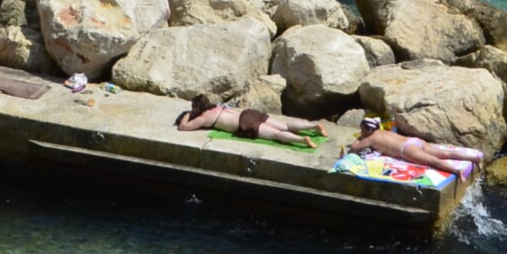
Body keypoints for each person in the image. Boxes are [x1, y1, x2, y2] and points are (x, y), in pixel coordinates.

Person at [355, 116, 483, 177]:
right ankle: (473, 158)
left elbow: (353, 149)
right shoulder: (384, 131)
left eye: (362, 131)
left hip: (406, 149)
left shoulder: (370, 138)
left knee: (433, 161)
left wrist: (359, 139)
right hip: (415, 141)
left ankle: (457, 171)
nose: (361, 133)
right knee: (445, 154)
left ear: (367, 130)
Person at [175, 96, 326, 144]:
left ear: (197, 107)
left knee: (275, 135)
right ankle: (313, 126)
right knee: (285, 125)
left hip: (243, 124)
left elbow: (183, 128)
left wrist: (189, 113)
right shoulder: (218, 106)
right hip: (248, 114)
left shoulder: (204, 118)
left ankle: (302, 140)